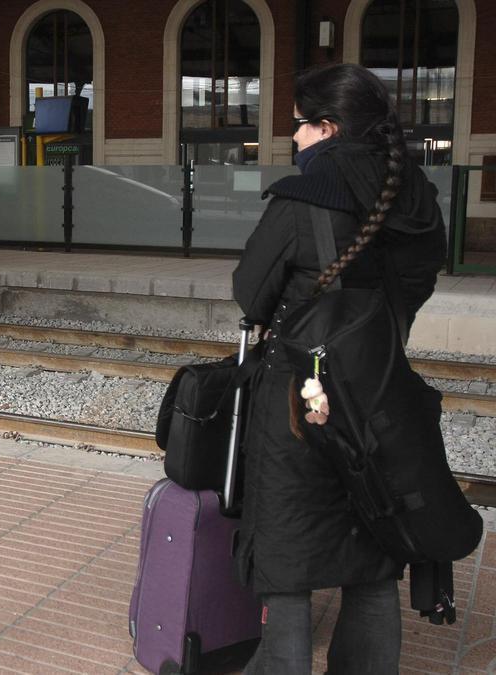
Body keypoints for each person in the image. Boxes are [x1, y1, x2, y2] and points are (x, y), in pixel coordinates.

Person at [231, 63, 446, 673]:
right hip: (381, 396)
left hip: (299, 402)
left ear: (326, 128)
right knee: (373, 550)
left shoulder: (303, 198)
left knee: (289, 553)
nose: (294, 138)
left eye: (299, 125)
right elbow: (416, 285)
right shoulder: (415, 194)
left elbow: (251, 290)